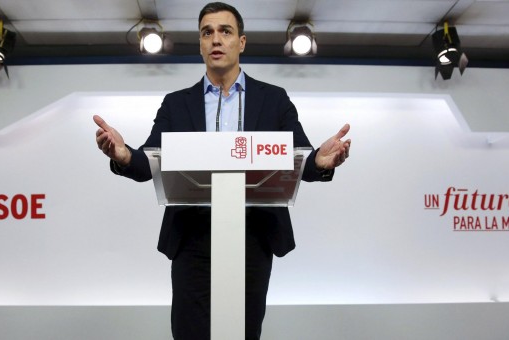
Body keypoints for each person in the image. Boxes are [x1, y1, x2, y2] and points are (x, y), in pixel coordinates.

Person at [94, 2, 351, 339]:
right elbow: (150, 162)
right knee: (189, 331)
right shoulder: (176, 103)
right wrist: (124, 154)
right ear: (200, 44)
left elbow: (300, 157)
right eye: (207, 32)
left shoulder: (273, 99)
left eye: (225, 31)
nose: (216, 39)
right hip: (192, 237)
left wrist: (319, 162)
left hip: (253, 236)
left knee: (244, 331)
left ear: (240, 42)